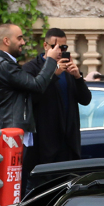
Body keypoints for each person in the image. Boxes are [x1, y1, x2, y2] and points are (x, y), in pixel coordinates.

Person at [0, 24, 64, 165]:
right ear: (6, 41)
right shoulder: (5, 65)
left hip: (4, 131)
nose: (23, 42)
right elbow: (37, 85)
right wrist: (51, 61)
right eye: (20, 38)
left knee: (10, 180)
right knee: (14, 182)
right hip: (10, 134)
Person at [21, 27, 91, 175]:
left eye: (63, 47)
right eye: (55, 46)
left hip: (69, 142)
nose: (59, 50)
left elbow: (85, 100)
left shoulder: (68, 70)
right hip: (44, 143)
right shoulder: (31, 68)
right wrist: (53, 74)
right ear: (45, 46)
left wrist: (78, 77)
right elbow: (31, 99)